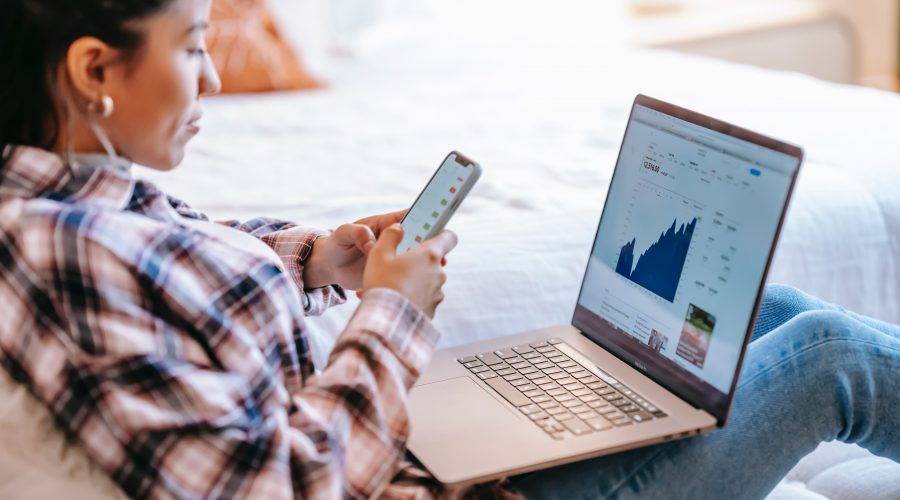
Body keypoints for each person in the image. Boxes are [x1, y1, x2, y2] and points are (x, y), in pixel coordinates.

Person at [0, 1, 896, 499]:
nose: (216, 77)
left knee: (776, 315)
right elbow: (272, 490)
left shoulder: (65, 202)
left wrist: (321, 258)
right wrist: (391, 314)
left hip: (426, 456)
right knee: (829, 359)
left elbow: (176, 268)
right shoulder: (66, 251)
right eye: (193, 47)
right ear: (93, 72)